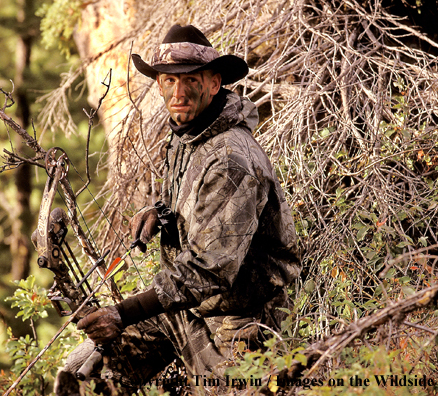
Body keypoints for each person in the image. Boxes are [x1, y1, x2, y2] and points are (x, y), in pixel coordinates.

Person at [64, 24, 301, 393]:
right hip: (189, 310)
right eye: (167, 80)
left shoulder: (231, 158)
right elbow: (196, 203)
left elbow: (210, 269)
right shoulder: (188, 135)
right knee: (87, 376)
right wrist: (160, 213)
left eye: (190, 80)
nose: (178, 92)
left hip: (241, 327)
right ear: (158, 83)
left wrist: (121, 314)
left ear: (214, 82)